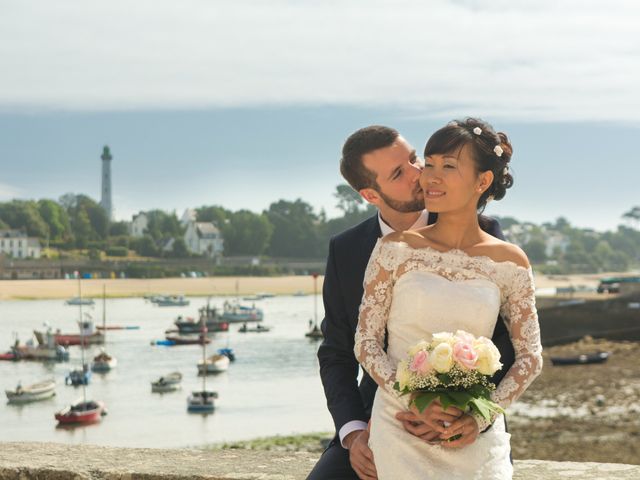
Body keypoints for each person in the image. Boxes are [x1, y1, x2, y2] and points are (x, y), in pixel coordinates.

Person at [307, 124, 515, 480]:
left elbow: (505, 344)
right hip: (379, 415)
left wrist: (474, 416)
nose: (419, 174)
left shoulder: (482, 233)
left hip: (465, 414)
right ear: (371, 195)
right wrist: (354, 433)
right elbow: (337, 353)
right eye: (398, 173)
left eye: (414, 159)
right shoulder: (346, 250)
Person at [353, 118, 543, 479]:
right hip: (401, 424)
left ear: (482, 181)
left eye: (449, 167)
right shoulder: (395, 250)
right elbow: (365, 342)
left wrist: (481, 417)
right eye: (430, 163)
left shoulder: (510, 261)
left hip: (472, 434)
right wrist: (414, 403)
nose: (431, 177)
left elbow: (530, 358)